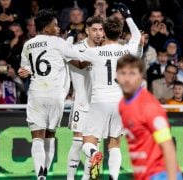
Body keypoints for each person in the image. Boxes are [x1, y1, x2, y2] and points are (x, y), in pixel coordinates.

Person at [70, 3, 141, 180]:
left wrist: (70, 38)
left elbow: (72, 54)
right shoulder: (126, 49)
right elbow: (137, 36)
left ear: (104, 33)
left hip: (99, 101)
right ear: (120, 33)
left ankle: (94, 153)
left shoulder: (95, 53)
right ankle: (113, 178)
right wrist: (129, 16)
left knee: (88, 142)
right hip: (120, 103)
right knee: (115, 143)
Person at [18, 9, 81, 180]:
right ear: (46, 29)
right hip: (56, 95)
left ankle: (40, 176)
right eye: (55, 25)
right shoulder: (58, 42)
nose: (58, 27)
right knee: (50, 135)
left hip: (36, 93)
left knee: (37, 137)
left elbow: (25, 68)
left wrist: (24, 71)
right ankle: (45, 171)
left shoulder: (28, 44)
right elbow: (77, 60)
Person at [117, 54, 183, 180]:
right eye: (122, 73)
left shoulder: (149, 107)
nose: (126, 79)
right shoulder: (122, 105)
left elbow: (167, 145)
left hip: (161, 174)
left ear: (141, 77)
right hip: (144, 175)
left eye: (132, 74)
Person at [66, 16, 104, 180]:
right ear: (87, 30)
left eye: (101, 29)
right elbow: (76, 63)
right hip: (81, 103)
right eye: (94, 29)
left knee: (94, 147)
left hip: (100, 105)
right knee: (77, 143)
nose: (98, 33)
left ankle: (87, 178)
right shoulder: (76, 48)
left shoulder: (106, 49)